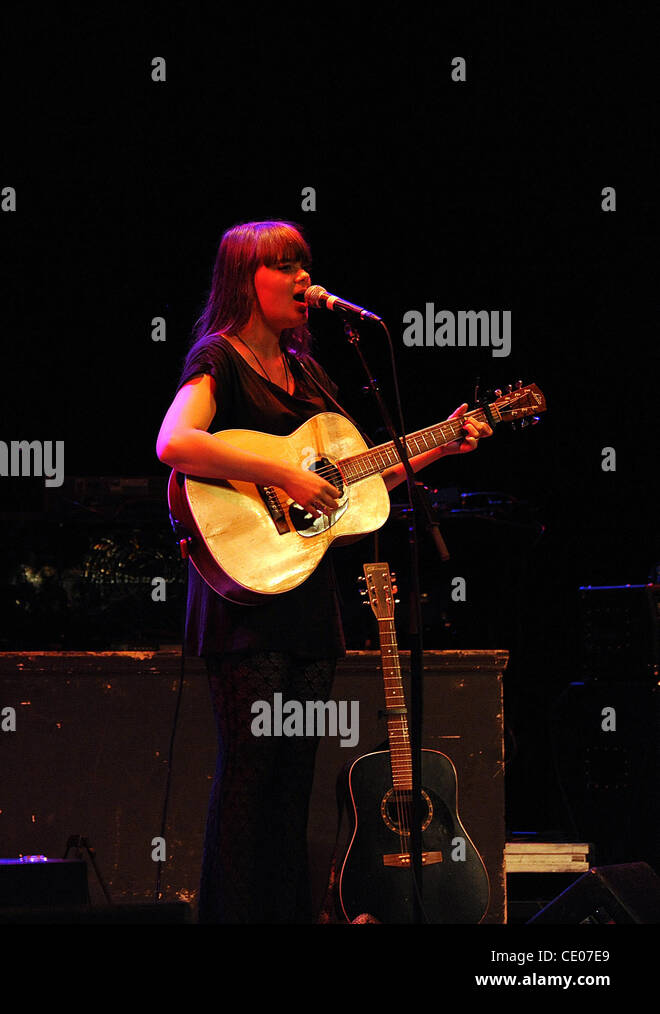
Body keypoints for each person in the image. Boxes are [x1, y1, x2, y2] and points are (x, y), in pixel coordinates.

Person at [155, 220, 489, 923]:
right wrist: (282, 471)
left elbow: (362, 482)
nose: (304, 279)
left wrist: (443, 446)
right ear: (247, 278)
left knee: (293, 780)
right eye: (285, 266)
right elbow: (176, 442)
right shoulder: (218, 357)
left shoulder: (308, 371)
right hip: (245, 601)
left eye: (306, 264)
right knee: (250, 774)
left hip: (310, 601)